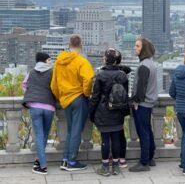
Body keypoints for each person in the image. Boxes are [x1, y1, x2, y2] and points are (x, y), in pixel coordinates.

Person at [50, 35, 94, 171]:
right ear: (80, 46)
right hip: (78, 98)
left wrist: (60, 97)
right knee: (76, 130)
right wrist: (86, 94)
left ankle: (65, 159)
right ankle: (72, 161)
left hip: (66, 100)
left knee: (70, 130)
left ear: (69, 45)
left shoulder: (58, 62)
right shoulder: (82, 62)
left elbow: (53, 85)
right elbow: (89, 79)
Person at [90, 48, 131, 176]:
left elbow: (95, 96)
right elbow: (125, 95)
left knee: (105, 138)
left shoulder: (100, 75)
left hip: (103, 111)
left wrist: (91, 112)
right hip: (118, 110)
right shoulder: (122, 75)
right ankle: (116, 167)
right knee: (116, 138)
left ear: (106, 59)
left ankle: (105, 167)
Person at [22, 52, 55, 175]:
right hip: (49, 107)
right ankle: (39, 160)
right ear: (45, 60)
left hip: (35, 106)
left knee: (39, 135)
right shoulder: (52, 72)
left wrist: (31, 93)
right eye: (49, 59)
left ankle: (42, 165)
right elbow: (56, 87)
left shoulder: (31, 72)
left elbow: (24, 84)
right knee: (45, 134)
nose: (50, 61)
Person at [129, 38, 157, 172]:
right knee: (148, 130)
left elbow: (141, 88)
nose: (135, 48)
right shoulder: (151, 64)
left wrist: (134, 101)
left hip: (142, 104)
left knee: (143, 132)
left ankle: (144, 162)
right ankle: (151, 157)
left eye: (137, 46)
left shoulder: (143, 66)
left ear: (143, 49)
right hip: (149, 103)